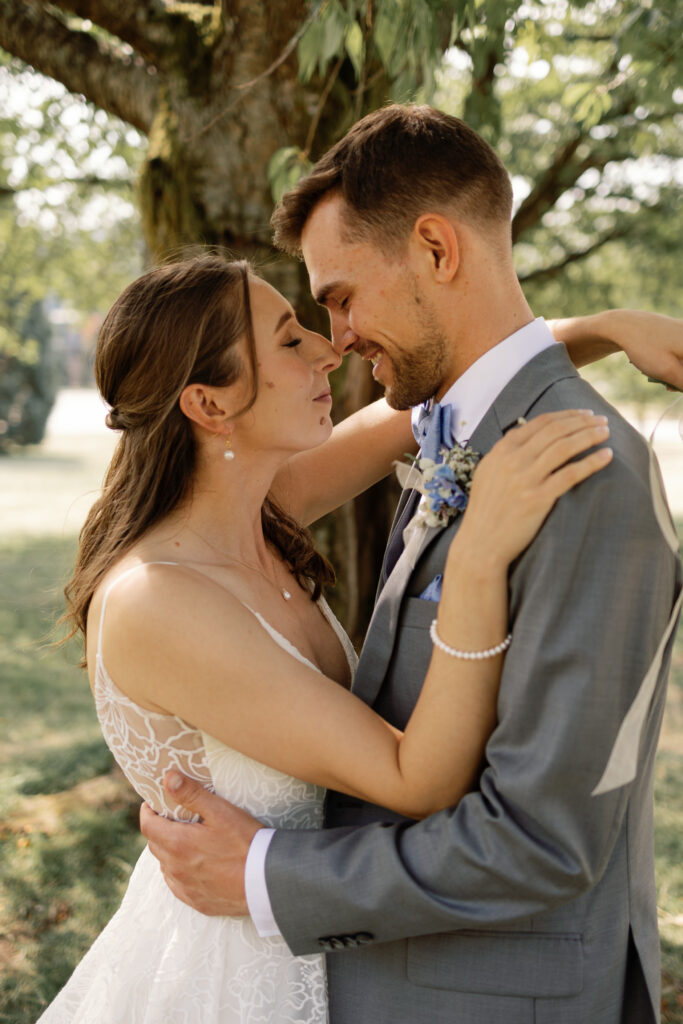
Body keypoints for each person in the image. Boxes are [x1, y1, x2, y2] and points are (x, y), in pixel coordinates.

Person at [140, 106, 683, 1024]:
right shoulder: (460, 436)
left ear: (435, 249)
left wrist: (268, 876)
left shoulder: (583, 476)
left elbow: (545, 842)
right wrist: (586, 326)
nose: (335, 338)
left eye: (341, 297)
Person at [36, 251, 620, 1023]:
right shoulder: (160, 601)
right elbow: (417, 780)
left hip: (324, 940)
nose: (327, 347)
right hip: (233, 977)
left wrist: (611, 329)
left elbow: (447, 397)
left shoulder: (260, 509)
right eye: (287, 340)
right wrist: (477, 564)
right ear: (209, 406)